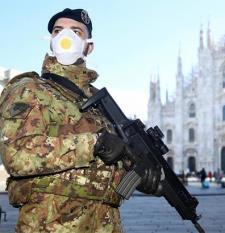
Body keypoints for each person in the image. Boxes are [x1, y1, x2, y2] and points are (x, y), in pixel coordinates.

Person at [0, 8, 162, 232]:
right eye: (58, 31)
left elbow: (110, 161)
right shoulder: (29, 89)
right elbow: (17, 156)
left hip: (106, 225)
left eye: (76, 32)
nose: (66, 38)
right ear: (51, 41)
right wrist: (94, 143)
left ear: (89, 45)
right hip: (50, 225)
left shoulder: (101, 102)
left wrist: (137, 176)